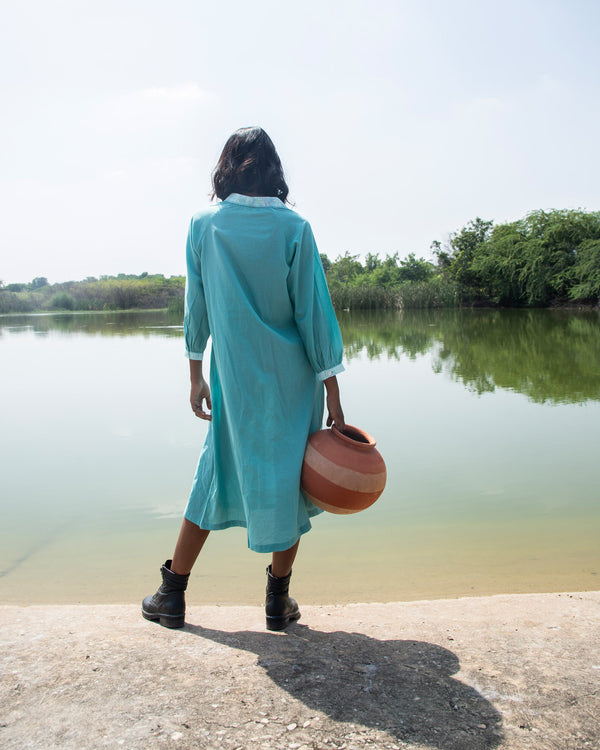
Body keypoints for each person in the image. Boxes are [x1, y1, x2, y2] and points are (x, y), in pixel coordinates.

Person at [142, 127, 345, 631]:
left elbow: (197, 308)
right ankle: (279, 602)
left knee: (214, 474)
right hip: (293, 381)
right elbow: (314, 314)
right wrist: (334, 394)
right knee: (289, 482)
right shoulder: (295, 228)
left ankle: (172, 594)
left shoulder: (204, 224)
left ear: (226, 167)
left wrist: (195, 374)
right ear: (275, 169)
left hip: (233, 380)